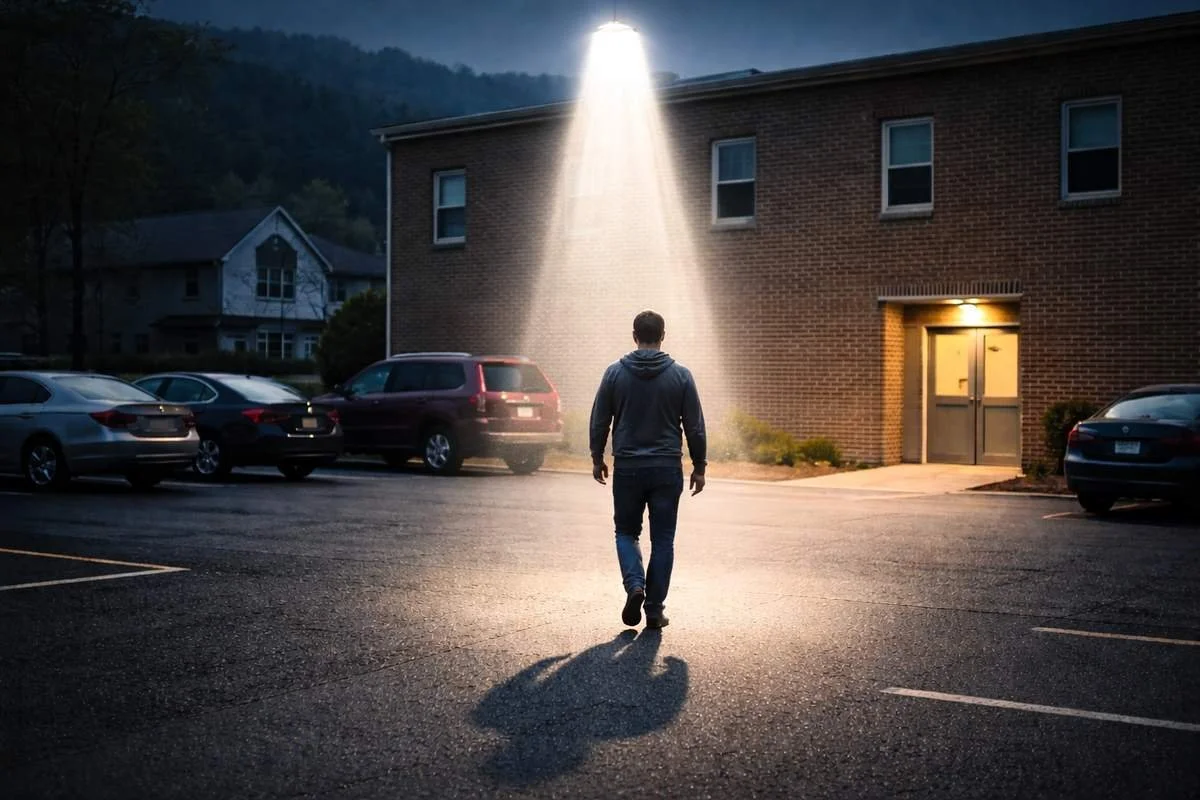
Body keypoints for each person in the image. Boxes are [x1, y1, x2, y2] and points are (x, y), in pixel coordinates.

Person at [590, 310, 707, 629]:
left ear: (634, 335)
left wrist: (596, 455)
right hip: (666, 468)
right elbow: (694, 426)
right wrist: (699, 466)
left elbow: (601, 418)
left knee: (626, 532)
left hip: (628, 466)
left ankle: (635, 586)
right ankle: (654, 610)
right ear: (663, 336)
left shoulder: (614, 373)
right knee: (664, 539)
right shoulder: (681, 375)